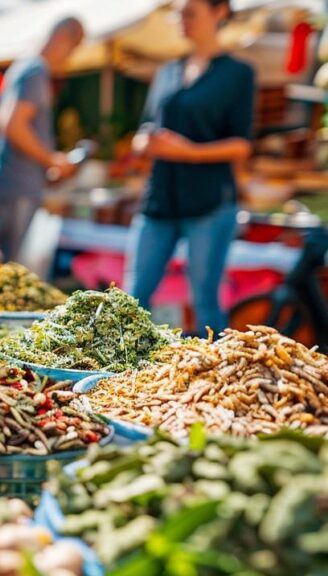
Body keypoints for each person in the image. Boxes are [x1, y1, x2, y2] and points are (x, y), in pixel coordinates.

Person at [125, 0, 254, 336]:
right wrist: (144, 143)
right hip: (159, 199)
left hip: (209, 202)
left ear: (220, 12)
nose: (182, 20)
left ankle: (218, 382)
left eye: (190, 12)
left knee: (206, 304)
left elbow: (242, 144)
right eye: (179, 13)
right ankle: (119, 378)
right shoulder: (166, 71)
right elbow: (146, 128)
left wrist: (190, 152)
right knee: (131, 299)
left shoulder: (238, 74)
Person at [0, 18, 84, 262]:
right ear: (63, 39)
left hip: (10, 184)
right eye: (74, 48)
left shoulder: (25, 66)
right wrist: (52, 160)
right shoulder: (36, 70)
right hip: (17, 187)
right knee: (4, 270)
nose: (70, 58)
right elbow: (13, 124)